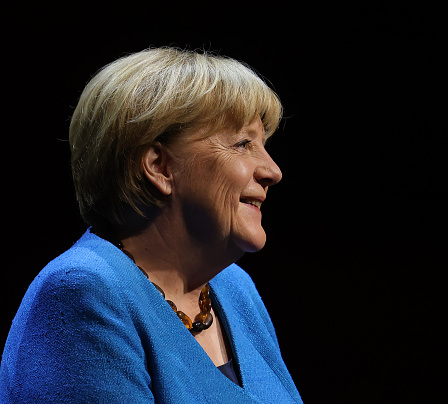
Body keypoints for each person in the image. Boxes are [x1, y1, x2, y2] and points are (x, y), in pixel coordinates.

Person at [0, 47, 302, 403]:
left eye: (263, 146)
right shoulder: (84, 293)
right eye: (243, 144)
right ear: (158, 166)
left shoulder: (234, 288)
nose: (272, 171)